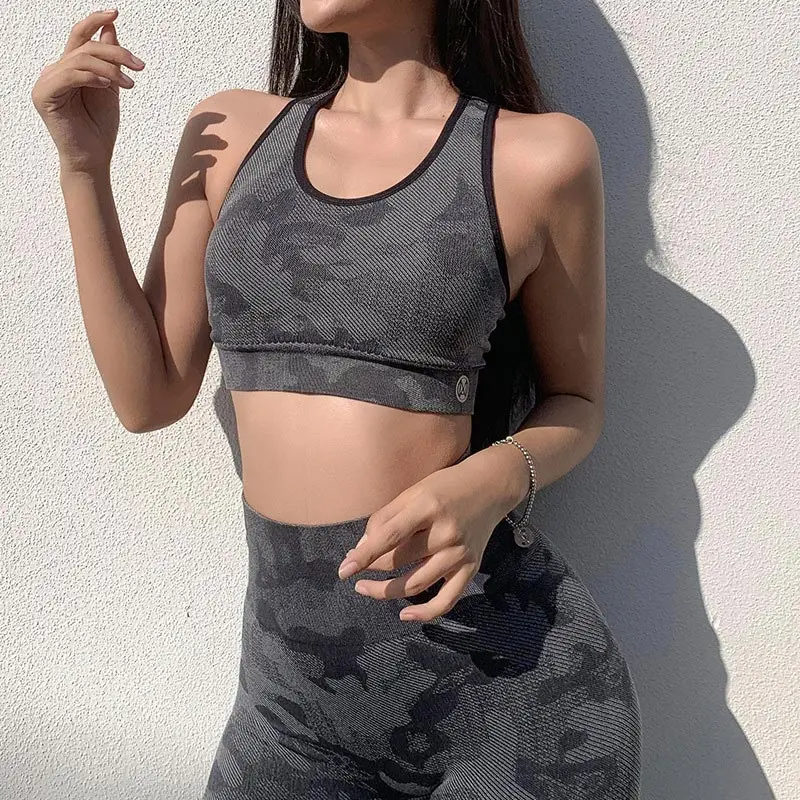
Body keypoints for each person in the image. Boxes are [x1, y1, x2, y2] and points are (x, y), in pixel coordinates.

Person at [32, 2, 642, 798]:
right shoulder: (233, 135)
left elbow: (577, 400)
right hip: (290, 709)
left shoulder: (538, 156)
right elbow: (147, 397)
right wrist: (82, 167)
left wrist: (489, 481)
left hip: (510, 704)